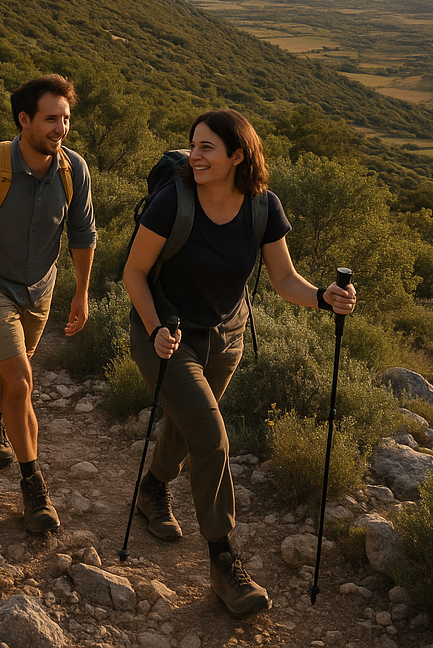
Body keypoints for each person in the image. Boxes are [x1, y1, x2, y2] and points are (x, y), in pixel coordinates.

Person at [123, 108, 356, 617]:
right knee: (212, 436)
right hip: (166, 335)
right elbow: (134, 273)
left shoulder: (262, 207)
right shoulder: (172, 201)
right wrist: (156, 328)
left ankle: (153, 489)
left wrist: (324, 298)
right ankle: (224, 561)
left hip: (226, 339)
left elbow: (285, 279)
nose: (195, 155)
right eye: (193, 145)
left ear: (237, 155)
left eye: (207, 147)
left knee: (189, 428)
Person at [0, 74, 97, 533]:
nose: (61, 129)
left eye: (66, 119)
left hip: (41, 289)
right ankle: (35, 489)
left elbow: (84, 235)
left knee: (11, 376)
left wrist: (82, 292)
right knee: (22, 380)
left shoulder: (74, 171)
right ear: (24, 120)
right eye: (51, 119)